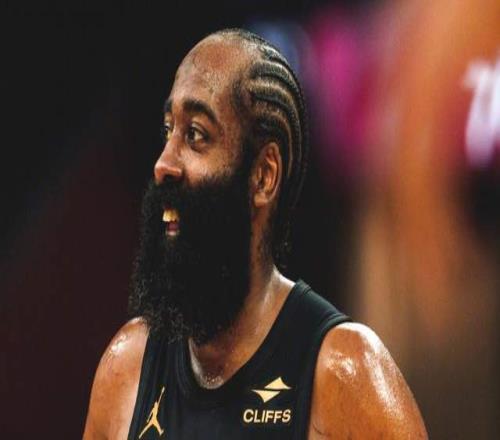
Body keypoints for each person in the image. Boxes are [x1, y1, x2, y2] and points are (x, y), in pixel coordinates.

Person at [83, 28, 427, 439]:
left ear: (263, 176)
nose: (164, 164)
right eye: (168, 130)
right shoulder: (127, 370)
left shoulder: (343, 373)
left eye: (195, 135)